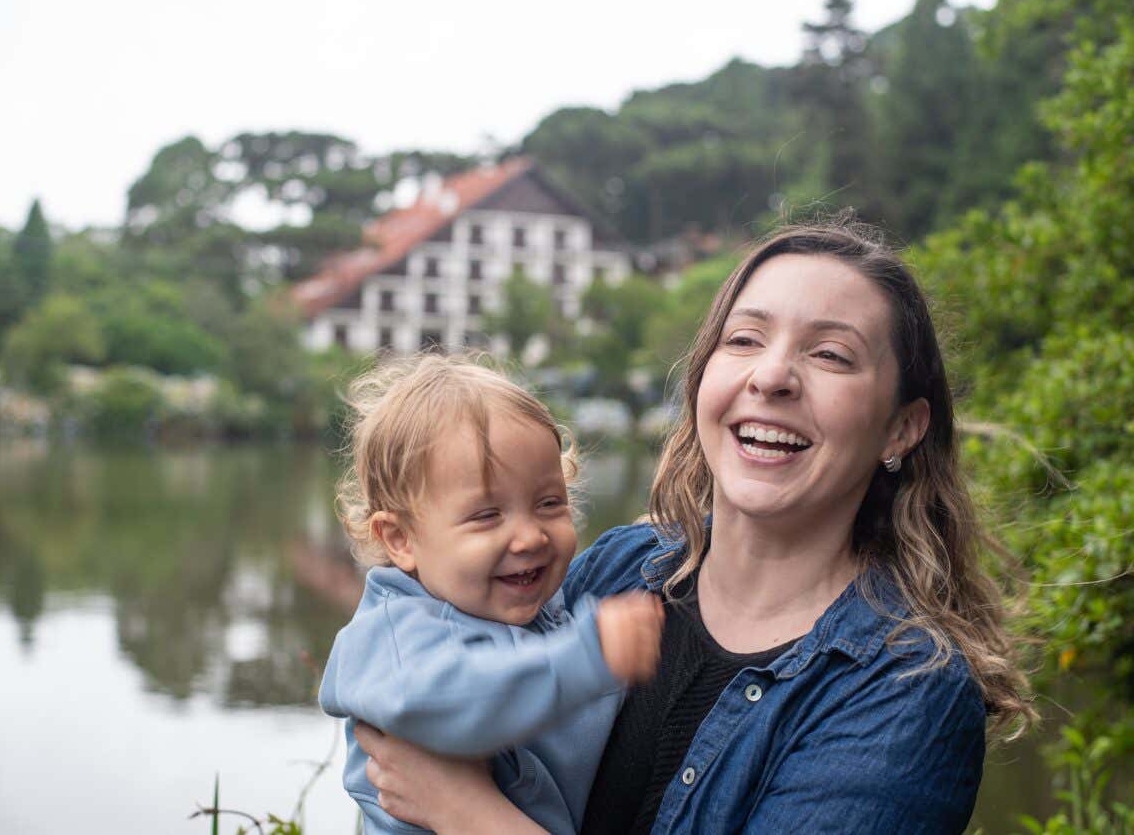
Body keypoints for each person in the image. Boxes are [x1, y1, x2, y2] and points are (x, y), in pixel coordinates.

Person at [351, 220, 1036, 834]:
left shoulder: (904, 688)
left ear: (901, 428)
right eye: (745, 339)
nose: (772, 375)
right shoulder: (619, 569)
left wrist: (462, 811)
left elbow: (443, 779)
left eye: (830, 354)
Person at [319, 354, 666, 834]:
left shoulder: (537, 612)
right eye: (486, 516)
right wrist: (589, 655)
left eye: (549, 503)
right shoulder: (391, 639)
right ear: (400, 539)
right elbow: (467, 700)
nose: (530, 537)